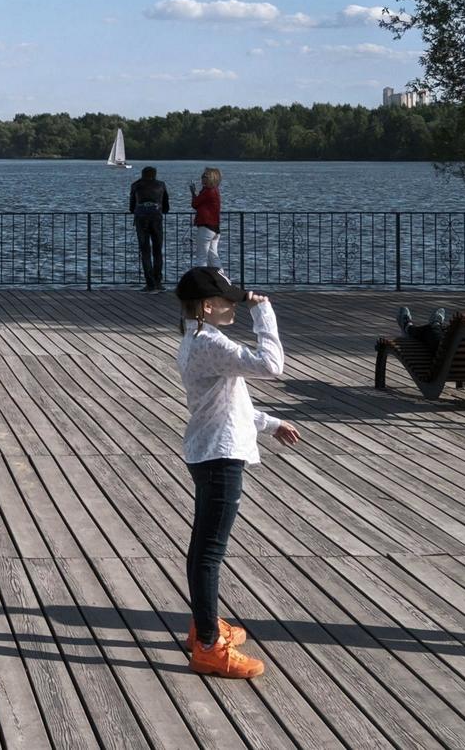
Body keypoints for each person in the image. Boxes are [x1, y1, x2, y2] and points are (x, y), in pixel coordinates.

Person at [173, 266, 300, 679]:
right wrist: (263, 312)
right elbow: (272, 365)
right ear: (207, 307)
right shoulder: (209, 341)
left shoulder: (196, 338)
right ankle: (209, 646)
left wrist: (269, 423)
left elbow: (227, 401)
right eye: (228, 300)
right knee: (209, 552)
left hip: (210, 449)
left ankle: (203, 627)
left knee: (203, 547)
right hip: (219, 456)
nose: (234, 306)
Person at [130, 166, 171, 291]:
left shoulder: (136, 185)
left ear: (142, 174)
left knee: (145, 251)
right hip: (156, 218)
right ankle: (158, 281)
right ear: (155, 174)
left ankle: (150, 283)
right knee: (157, 251)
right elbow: (166, 206)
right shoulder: (161, 185)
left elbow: (131, 207)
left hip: (141, 219)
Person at [190, 168, 224, 269]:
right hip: (214, 228)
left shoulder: (208, 191)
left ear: (210, 178)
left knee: (201, 257)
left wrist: (193, 193)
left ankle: (201, 277)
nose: (202, 178)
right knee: (213, 257)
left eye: (204, 176)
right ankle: (221, 277)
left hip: (206, 227)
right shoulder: (215, 190)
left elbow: (195, 204)